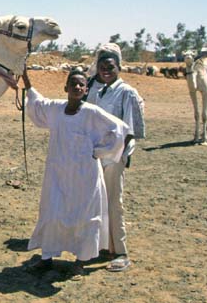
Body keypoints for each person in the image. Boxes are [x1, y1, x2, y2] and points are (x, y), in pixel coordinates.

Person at [22, 68, 128, 279]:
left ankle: (80, 263)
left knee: (85, 217)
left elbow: (119, 129)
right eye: (74, 84)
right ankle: (46, 259)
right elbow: (36, 102)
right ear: (66, 88)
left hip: (85, 177)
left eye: (81, 85)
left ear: (86, 89)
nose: (77, 87)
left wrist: (100, 151)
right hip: (57, 174)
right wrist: (24, 76)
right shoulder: (55, 108)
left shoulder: (91, 112)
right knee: (52, 213)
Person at [85, 43, 145, 272]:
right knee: (94, 202)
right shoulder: (93, 88)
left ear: (118, 66)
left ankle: (121, 252)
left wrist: (124, 155)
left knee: (114, 202)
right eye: (101, 66)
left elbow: (131, 129)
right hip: (92, 156)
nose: (105, 70)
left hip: (114, 157)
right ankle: (99, 247)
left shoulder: (126, 92)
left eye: (110, 66)